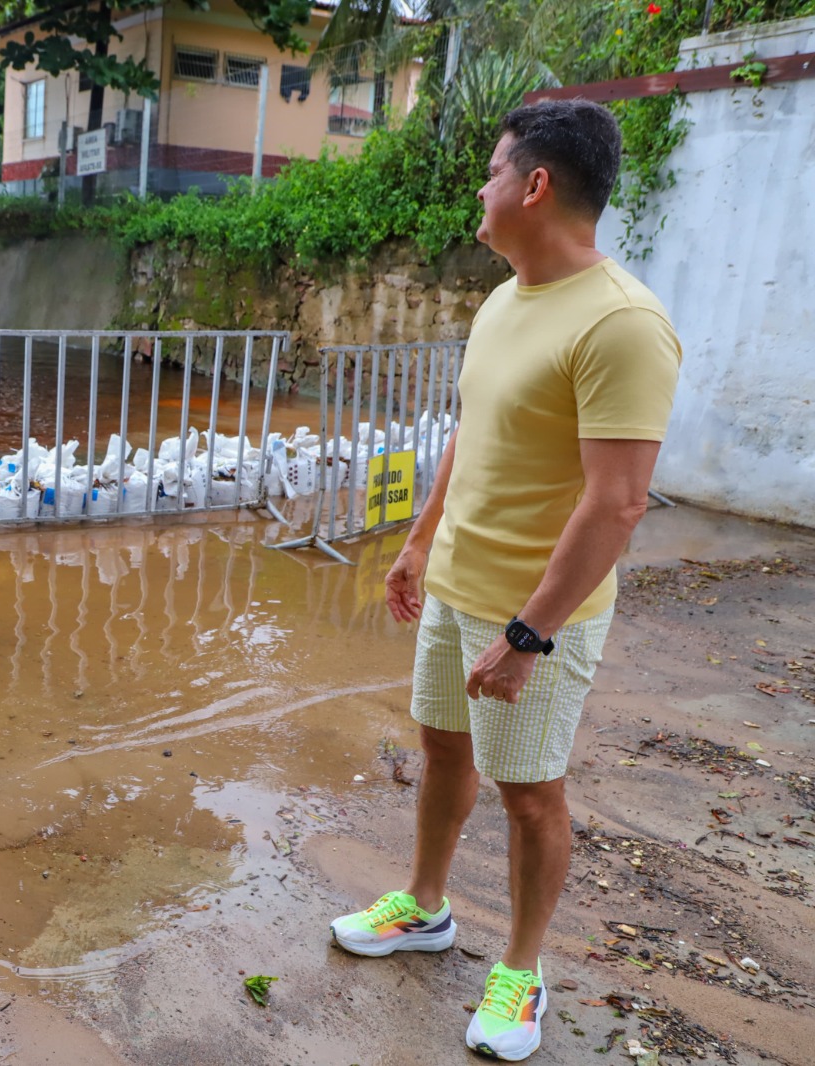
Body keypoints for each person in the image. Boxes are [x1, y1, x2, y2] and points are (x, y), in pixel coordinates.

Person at [327, 99, 682, 1062]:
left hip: (536, 616)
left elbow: (616, 503)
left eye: (491, 172)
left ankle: (522, 971)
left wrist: (528, 636)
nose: (477, 192)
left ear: (535, 186)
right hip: (453, 588)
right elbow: (472, 438)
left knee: (531, 793)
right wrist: (415, 543)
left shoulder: (623, 325)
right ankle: (427, 907)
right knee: (444, 755)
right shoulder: (505, 294)